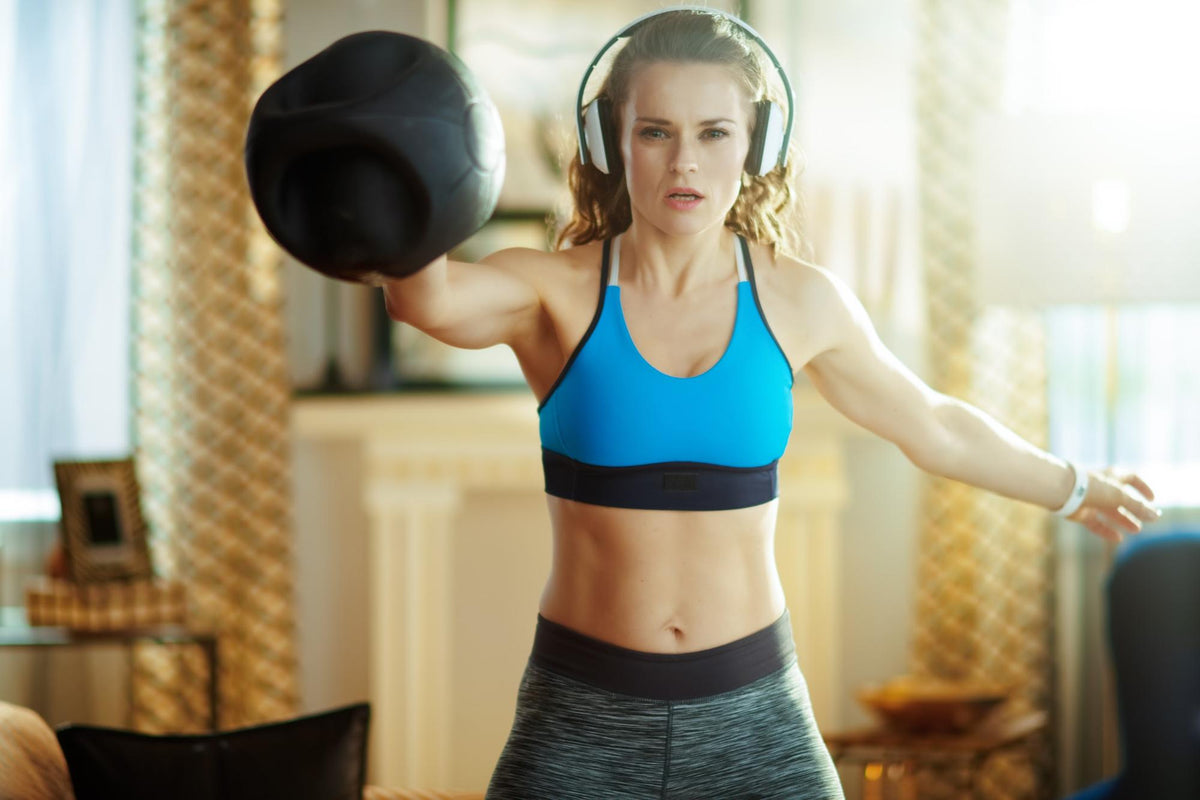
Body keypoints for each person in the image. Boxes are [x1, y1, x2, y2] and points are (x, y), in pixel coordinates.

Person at [377, 8, 1163, 799]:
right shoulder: (553, 290)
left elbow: (934, 425)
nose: (684, 161)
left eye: (715, 132)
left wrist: (1073, 486)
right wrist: (400, 163)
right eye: (656, 132)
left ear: (758, 145)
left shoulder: (799, 300)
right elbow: (426, 301)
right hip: (582, 720)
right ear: (608, 142)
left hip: (755, 721)